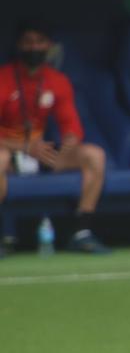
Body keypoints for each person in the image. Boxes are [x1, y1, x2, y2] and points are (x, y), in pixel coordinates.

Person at [0, 20, 110, 255]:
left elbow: (71, 127)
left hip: (39, 151)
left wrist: (69, 143)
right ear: (19, 45)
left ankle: (82, 233)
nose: (34, 48)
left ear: (49, 46)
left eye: (40, 42)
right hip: (8, 150)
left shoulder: (56, 80)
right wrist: (22, 146)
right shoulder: (4, 78)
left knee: (94, 155)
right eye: (28, 42)